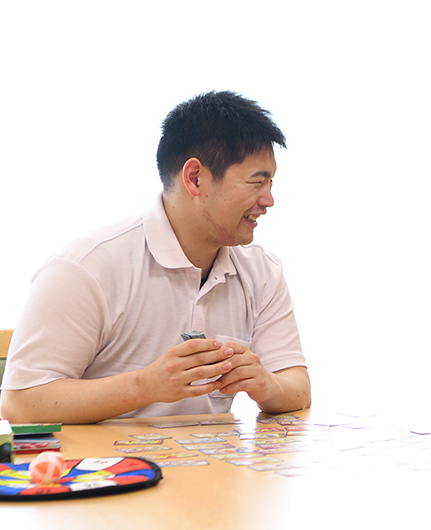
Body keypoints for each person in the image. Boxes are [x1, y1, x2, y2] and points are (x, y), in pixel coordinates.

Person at [0, 91, 311, 423]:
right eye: (256, 182)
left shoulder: (262, 270)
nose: (268, 200)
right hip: (108, 472)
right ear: (195, 178)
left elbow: (298, 389)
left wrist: (268, 385)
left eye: (271, 183)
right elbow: (19, 403)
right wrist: (144, 386)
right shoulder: (87, 267)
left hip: (214, 472)